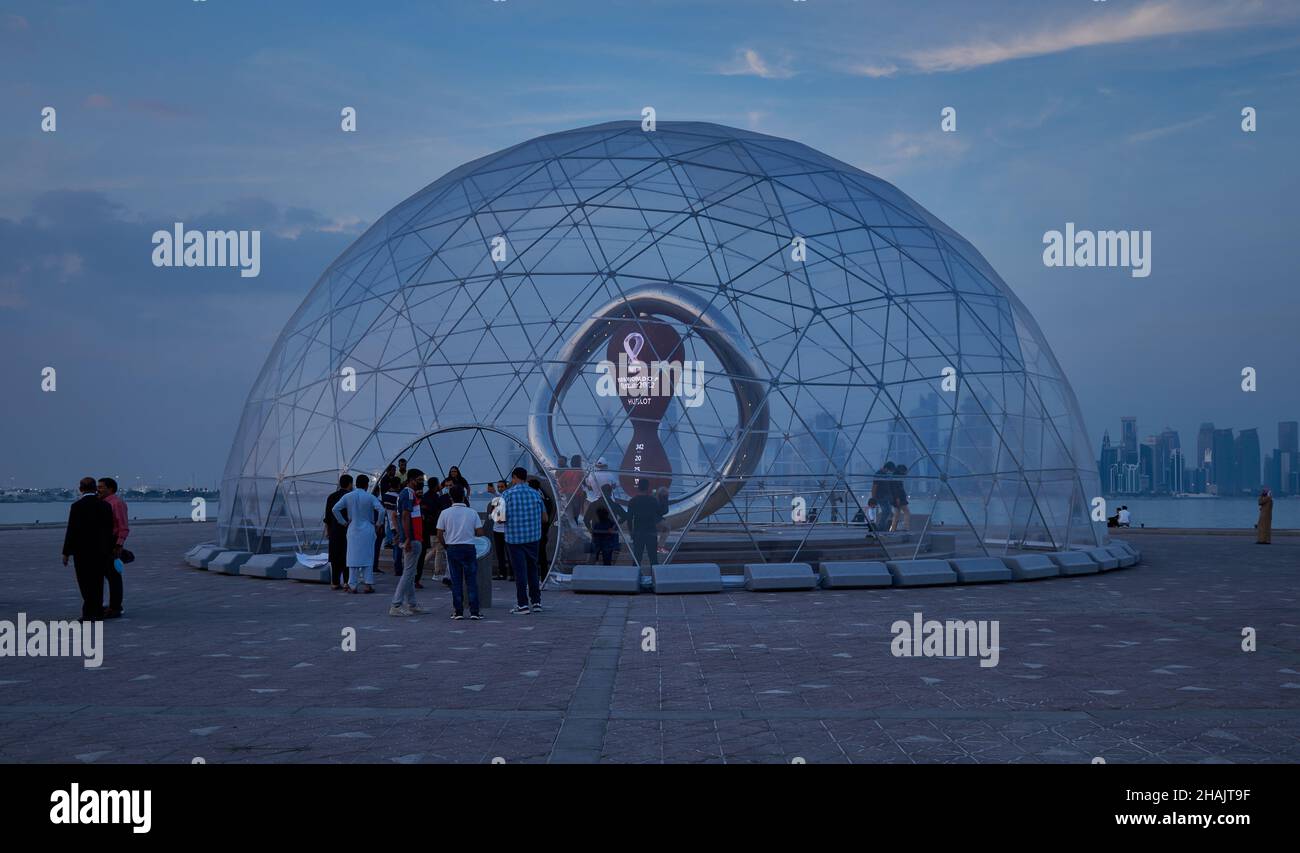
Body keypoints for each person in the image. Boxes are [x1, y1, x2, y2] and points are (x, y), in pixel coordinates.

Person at [62, 477, 116, 621]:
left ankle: (88, 612)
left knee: (84, 581)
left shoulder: (77, 506)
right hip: (101, 551)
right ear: (95, 488)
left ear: (80, 489)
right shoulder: (105, 506)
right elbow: (109, 530)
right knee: (98, 581)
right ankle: (97, 611)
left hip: (82, 551)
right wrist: (111, 549)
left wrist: (66, 552)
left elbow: (71, 530)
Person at [502, 466, 547, 614]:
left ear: (515, 477)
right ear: (526, 477)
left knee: (520, 572)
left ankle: (522, 605)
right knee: (533, 569)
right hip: (533, 538)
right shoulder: (536, 494)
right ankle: (536, 602)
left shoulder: (506, 495)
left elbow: (500, 519)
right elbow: (544, 518)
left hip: (514, 539)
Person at [438, 485, 485, 619]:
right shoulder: (472, 512)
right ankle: (474, 611)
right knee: (471, 580)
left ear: (450, 497)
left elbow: (440, 533)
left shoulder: (445, 513)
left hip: (452, 547)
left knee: (456, 580)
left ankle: (458, 611)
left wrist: (446, 546)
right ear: (464, 496)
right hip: (469, 548)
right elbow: (480, 533)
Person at [334, 474, 383, 593]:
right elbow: (381, 510)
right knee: (368, 557)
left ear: (356, 483)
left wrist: (343, 522)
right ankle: (368, 584)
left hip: (353, 529)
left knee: (352, 557)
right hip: (367, 529)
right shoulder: (370, 497)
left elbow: (335, 509)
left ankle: (353, 585)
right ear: (367, 485)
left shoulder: (348, 496)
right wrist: (378, 524)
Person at [390, 469, 427, 616]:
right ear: (411, 479)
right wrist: (407, 538)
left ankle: (412, 604)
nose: (421, 482)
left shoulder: (408, 494)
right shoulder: (408, 494)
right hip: (412, 538)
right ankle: (396, 605)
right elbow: (405, 516)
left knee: (411, 572)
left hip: (413, 537)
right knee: (408, 572)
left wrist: (400, 534)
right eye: (419, 479)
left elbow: (397, 515)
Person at [96, 477, 129, 618]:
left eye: (102, 487)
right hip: (101, 543)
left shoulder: (117, 503)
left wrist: (119, 545)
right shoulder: (101, 502)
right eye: (98, 486)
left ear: (111, 489)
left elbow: (123, 527)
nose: (99, 489)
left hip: (112, 543)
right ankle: (107, 605)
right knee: (104, 574)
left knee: (113, 576)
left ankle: (115, 607)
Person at [625, 478, 664, 570]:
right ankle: (654, 579)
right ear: (648, 488)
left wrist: (631, 532)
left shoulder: (633, 501)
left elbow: (629, 519)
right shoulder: (653, 500)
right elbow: (661, 512)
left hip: (638, 533)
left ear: (638, 487)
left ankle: (635, 577)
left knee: (637, 558)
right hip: (651, 532)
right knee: (653, 558)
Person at [324, 474, 353, 590]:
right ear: (350, 484)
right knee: (347, 555)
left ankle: (335, 582)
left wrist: (327, 532)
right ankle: (346, 582)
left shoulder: (331, 496)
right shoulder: (351, 496)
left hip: (334, 531)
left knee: (335, 557)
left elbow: (327, 517)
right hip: (348, 531)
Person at [530, 477, 556, 571]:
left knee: (536, 552)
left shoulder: (536, 499)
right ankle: (543, 573)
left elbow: (544, 517)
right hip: (543, 529)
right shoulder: (544, 497)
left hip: (537, 529)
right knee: (541, 552)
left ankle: (538, 573)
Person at [487, 479, 510, 579]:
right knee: (500, 553)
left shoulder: (506, 497)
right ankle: (502, 573)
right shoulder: (496, 499)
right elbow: (493, 514)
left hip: (505, 530)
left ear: (506, 487)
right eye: (499, 487)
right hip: (497, 529)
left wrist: (493, 516)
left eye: (502, 487)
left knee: (509, 553)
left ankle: (511, 573)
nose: (500, 488)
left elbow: (495, 516)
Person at [557, 454, 586, 522]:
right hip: (577, 494)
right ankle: (574, 525)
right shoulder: (580, 471)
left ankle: (571, 525)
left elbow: (560, 480)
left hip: (568, 494)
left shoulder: (568, 471)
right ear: (578, 462)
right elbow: (585, 482)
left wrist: (564, 488)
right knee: (576, 512)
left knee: (570, 512)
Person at [871, 463, 896, 532]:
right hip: (880, 496)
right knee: (886, 511)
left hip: (886, 496)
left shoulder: (886, 475)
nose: (890, 472)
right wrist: (873, 498)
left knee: (888, 512)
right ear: (886, 468)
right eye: (890, 470)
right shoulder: (878, 474)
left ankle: (884, 527)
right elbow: (874, 486)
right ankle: (881, 527)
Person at [889, 464, 911, 532]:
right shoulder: (897, 478)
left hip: (897, 498)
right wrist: (897, 498)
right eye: (904, 472)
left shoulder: (894, 477)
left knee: (896, 514)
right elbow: (896, 489)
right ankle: (906, 527)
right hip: (900, 498)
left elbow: (895, 489)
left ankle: (893, 529)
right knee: (907, 512)